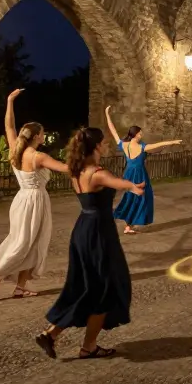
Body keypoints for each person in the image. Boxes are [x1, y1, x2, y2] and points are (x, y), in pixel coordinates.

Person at [34, 127, 144, 360]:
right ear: (95, 147)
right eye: (103, 143)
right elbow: (116, 182)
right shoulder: (96, 172)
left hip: (84, 229)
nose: (105, 146)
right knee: (105, 287)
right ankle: (87, 346)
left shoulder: (77, 170)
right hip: (98, 234)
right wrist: (131, 186)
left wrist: (127, 185)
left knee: (88, 286)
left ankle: (53, 335)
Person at [0, 89, 69, 301]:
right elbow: (65, 168)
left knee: (30, 243)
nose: (44, 135)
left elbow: (9, 126)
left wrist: (10, 100)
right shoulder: (38, 156)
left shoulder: (16, 149)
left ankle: (20, 287)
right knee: (23, 243)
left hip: (22, 199)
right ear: (37, 136)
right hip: (34, 200)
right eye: (42, 133)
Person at [105, 106, 181, 234]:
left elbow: (112, 130)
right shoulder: (142, 147)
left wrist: (107, 114)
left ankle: (129, 225)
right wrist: (172, 141)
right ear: (135, 135)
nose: (142, 135)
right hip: (139, 174)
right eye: (140, 133)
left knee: (131, 197)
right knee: (141, 198)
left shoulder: (124, 145)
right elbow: (158, 145)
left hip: (129, 173)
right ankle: (129, 224)